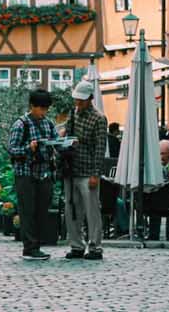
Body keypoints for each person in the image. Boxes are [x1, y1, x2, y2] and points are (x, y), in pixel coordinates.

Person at [7, 89, 58, 261]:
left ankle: (37, 245)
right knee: (27, 211)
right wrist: (29, 148)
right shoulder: (21, 124)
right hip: (25, 174)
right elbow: (12, 150)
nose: (43, 112)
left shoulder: (48, 123)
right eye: (40, 108)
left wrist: (64, 143)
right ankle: (29, 247)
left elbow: (56, 142)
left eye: (46, 109)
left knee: (41, 210)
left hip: (44, 173)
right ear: (32, 106)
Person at [64, 80, 108, 261]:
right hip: (71, 169)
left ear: (90, 98)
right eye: (76, 100)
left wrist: (95, 174)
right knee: (71, 209)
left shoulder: (99, 118)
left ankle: (95, 247)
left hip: (88, 170)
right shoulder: (73, 114)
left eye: (81, 100)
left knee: (92, 211)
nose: (78, 103)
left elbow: (100, 148)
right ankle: (76, 245)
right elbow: (67, 133)